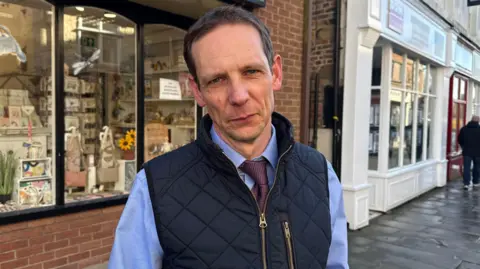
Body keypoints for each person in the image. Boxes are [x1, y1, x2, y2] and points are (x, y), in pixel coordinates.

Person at [109, 5, 349, 269]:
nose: (238, 96)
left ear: (276, 74)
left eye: (251, 72)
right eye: (217, 80)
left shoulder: (320, 174)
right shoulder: (155, 188)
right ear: (197, 92)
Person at [458, 115, 480, 190]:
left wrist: (463, 147)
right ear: (478, 121)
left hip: (467, 151)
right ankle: (476, 182)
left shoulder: (464, 129)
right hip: (478, 152)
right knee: (477, 167)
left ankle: (466, 183)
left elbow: (460, 139)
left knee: (467, 167)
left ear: (471, 120)